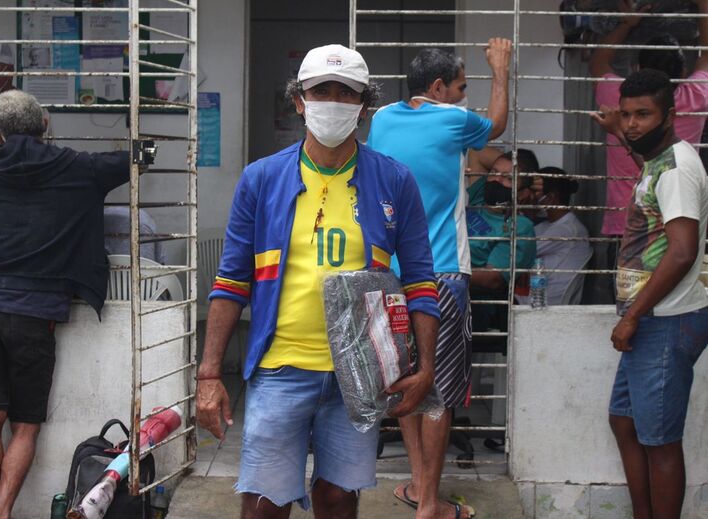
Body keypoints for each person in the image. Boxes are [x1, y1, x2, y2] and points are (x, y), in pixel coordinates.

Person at [195, 44, 440, 519]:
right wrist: (209, 373)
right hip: (279, 370)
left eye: (346, 93)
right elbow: (230, 283)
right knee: (264, 505)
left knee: (337, 501)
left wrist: (424, 368)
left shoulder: (394, 181)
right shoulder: (261, 180)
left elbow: (421, 283)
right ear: (299, 100)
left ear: (364, 105)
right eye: (321, 91)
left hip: (360, 378)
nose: (333, 101)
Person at [0, 90, 130, 518]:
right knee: (25, 422)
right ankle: (1, 515)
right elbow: (132, 159)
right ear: (46, 125)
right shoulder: (76, 166)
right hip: (32, 311)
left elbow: (12, 146)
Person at [366, 39, 511, 519]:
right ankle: (430, 503)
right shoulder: (453, 120)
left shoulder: (383, 118)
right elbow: (498, 124)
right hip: (442, 276)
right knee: (440, 391)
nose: (463, 97)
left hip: (389, 278)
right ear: (437, 88)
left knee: (408, 382)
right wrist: (500, 69)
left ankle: (416, 484)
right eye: (460, 88)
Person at [609, 69, 708, 519]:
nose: (631, 124)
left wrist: (634, 315)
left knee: (660, 442)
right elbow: (657, 195)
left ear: (670, 115)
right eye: (625, 114)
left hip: (665, 318)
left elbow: (683, 251)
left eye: (642, 115)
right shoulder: (659, 161)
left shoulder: (677, 167)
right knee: (625, 421)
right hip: (651, 318)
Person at [589, 0, 708, 238]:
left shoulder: (620, 97)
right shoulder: (697, 95)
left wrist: (626, 24)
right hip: (675, 218)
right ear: (683, 72)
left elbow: (598, 62)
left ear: (636, 67)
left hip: (625, 221)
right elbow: (706, 54)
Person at [467, 151, 538, 332]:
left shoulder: (520, 226)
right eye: (494, 172)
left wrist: (444, 273)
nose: (496, 180)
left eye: (508, 178)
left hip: (474, 300)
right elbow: (476, 154)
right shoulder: (479, 198)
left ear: (523, 193)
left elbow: (493, 278)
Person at [529, 167, 593, 305]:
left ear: (551, 196)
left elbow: (521, 252)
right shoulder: (546, 225)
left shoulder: (567, 229)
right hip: (532, 297)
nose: (531, 196)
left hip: (546, 302)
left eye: (535, 192)